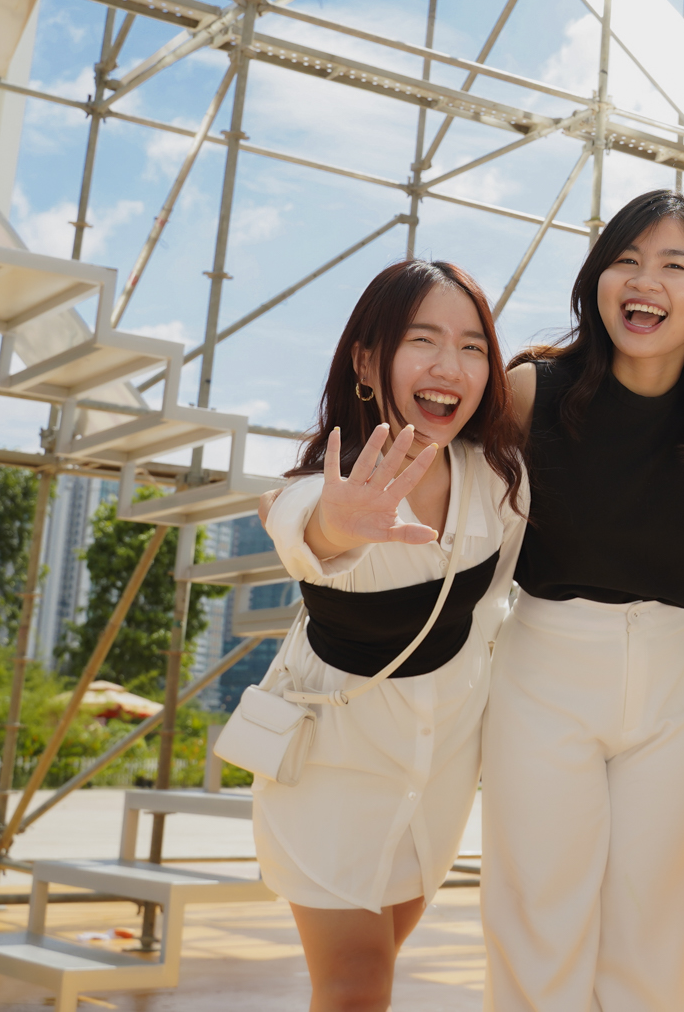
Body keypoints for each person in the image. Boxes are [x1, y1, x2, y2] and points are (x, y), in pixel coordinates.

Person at [481, 190, 684, 1012]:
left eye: (674, 264)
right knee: (540, 915)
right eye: (626, 260)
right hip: (543, 664)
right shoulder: (531, 389)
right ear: (597, 279)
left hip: (673, 673)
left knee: (659, 925)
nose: (644, 280)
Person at [250, 259, 526, 1012]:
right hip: (329, 775)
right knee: (354, 986)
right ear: (367, 361)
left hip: (437, 779)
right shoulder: (330, 484)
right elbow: (300, 521)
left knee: (369, 979)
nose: (450, 367)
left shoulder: (500, 482)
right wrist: (339, 524)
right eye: (423, 340)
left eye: (473, 347)